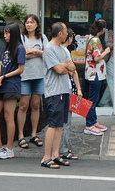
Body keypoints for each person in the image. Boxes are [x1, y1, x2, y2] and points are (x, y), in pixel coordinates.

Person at [40, 21, 76, 169]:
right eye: (66, 31)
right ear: (60, 33)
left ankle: (56, 155)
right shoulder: (49, 49)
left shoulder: (62, 50)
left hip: (64, 91)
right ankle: (46, 157)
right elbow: (59, 70)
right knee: (53, 125)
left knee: (60, 125)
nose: (68, 34)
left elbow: (72, 68)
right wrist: (65, 66)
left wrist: (66, 66)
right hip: (53, 92)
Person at [0, 22, 25, 159]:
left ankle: (9, 149)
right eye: (4, 32)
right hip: (1, 84)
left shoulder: (20, 48)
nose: (5, 35)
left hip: (12, 84)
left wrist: (4, 76)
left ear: (14, 33)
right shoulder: (4, 47)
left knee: (8, 116)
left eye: (8, 33)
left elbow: (20, 69)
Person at [17, 14, 48, 149]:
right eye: (27, 22)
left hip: (39, 75)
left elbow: (47, 53)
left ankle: (34, 134)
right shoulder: (21, 37)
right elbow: (21, 55)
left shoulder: (43, 38)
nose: (29, 24)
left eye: (32, 22)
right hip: (25, 76)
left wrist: (33, 51)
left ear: (37, 24)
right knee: (23, 105)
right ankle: (20, 135)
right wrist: (38, 51)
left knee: (36, 105)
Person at [83, 18, 110, 136]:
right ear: (103, 29)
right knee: (92, 100)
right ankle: (89, 125)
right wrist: (106, 51)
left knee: (93, 98)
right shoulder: (95, 40)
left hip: (92, 72)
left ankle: (93, 122)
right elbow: (96, 58)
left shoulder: (90, 37)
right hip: (95, 73)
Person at [59, 28, 82, 162]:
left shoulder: (57, 50)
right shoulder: (65, 51)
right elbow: (73, 71)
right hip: (65, 89)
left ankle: (61, 148)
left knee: (62, 121)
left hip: (62, 89)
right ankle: (64, 150)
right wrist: (78, 89)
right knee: (66, 122)